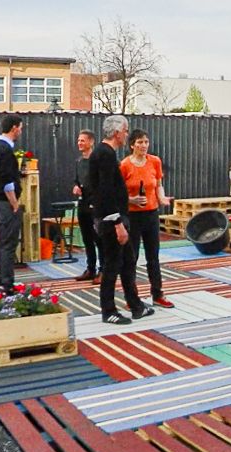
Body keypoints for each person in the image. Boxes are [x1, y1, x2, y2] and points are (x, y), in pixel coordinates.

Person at [86, 115, 152, 325]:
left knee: (128, 262)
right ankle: (108, 310)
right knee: (112, 265)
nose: (126, 134)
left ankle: (136, 305)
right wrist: (117, 223)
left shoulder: (105, 153)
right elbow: (105, 191)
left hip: (114, 218)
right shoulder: (104, 155)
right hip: (111, 220)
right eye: (125, 131)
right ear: (116, 133)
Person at [121, 129, 172, 308]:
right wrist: (131, 199)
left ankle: (157, 294)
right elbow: (117, 193)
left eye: (146, 142)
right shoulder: (125, 165)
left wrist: (162, 198)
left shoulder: (154, 161)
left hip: (151, 214)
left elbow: (158, 185)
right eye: (140, 142)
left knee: (153, 256)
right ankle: (131, 297)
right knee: (131, 257)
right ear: (132, 145)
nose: (143, 145)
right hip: (132, 216)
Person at [0, 115, 24, 294]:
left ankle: (3, 282)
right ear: (14, 128)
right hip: (6, 202)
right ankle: (7, 285)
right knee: (9, 244)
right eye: (20, 128)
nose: (21, 131)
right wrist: (15, 203)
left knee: (3, 243)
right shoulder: (5, 150)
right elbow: (7, 181)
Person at [72, 129, 101, 281]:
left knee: (99, 239)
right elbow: (77, 180)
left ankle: (103, 271)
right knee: (87, 238)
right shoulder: (78, 162)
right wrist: (76, 186)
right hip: (82, 204)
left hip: (95, 205)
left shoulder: (97, 161)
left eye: (82, 140)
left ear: (91, 142)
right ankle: (91, 269)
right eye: (78, 140)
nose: (79, 143)